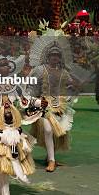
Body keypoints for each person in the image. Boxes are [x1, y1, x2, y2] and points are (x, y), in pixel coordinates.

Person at [0, 55, 45, 195]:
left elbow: (27, 100)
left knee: (4, 165)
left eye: (7, 65)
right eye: (2, 65)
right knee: (2, 165)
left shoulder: (14, 86)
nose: (6, 68)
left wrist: (39, 103)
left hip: (11, 128)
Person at [27, 30, 77, 172]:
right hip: (43, 106)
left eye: (57, 56)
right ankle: (51, 161)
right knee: (48, 130)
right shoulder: (39, 70)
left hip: (60, 106)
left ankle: (51, 156)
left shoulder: (64, 72)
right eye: (52, 55)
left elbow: (71, 86)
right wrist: (33, 102)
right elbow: (30, 86)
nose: (55, 58)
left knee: (57, 132)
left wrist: (73, 88)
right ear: (47, 56)